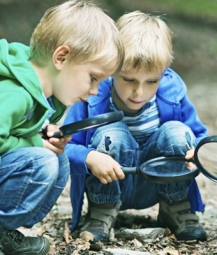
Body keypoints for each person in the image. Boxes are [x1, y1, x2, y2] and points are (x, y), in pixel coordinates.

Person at [64, 11, 208, 244]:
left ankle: (175, 206)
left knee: (177, 132)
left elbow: (200, 136)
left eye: (151, 81)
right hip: (110, 181)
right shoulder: (93, 96)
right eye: (128, 79)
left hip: (157, 183)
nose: (139, 92)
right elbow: (65, 148)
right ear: (112, 69)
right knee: (112, 132)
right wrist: (89, 157)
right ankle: (102, 211)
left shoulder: (172, 93)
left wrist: (199, 153)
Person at [0, 0, 124, 254]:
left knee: (59, 159)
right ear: (61, 57)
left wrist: (42, 134)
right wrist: (36, 144)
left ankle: (4, 232)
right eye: (93, 78)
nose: (93, 91)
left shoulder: (44, 97)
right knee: (41, 161)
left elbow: (15, 132)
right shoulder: (16, 93)